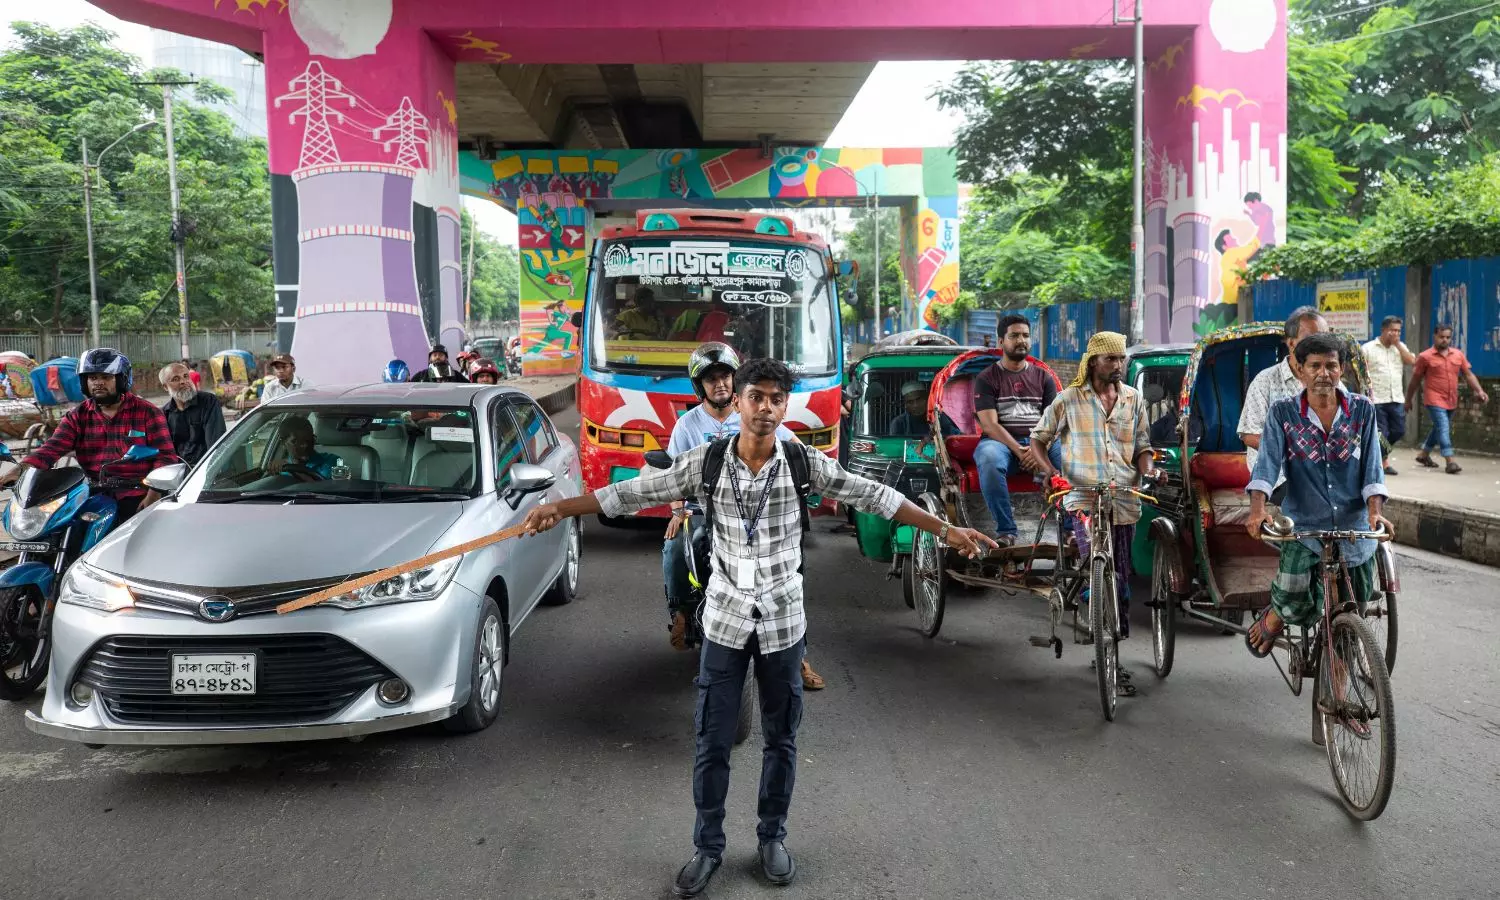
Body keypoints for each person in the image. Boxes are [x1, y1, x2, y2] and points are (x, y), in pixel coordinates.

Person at [518, 357, 994, 897]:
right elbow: (635, 493)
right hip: (722, 618)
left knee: (781, 738)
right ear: (738, 402)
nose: (765, 407)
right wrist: (563, 508)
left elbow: (873, 495)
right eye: (756, 397)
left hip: (784, 621)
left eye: (775, 399)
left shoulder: (801, 461)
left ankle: (772, 838)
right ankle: (708, 847)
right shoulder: (706, 461)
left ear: (783, 406)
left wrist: (945, 528)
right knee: (712, 740)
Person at [664, 343, 827, 690]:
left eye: (725, 376)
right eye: (711, 379)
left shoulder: (758, 416)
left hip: (763, 518)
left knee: (791, 577)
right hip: (704, 512)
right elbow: (672, 474)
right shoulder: (687, 426)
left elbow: (799, 456)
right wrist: (678, 510)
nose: (719, 384)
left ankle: (798, 654)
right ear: (700, 386)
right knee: (679, 547)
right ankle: (681, 613)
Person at [1245, 333, 1393, 684]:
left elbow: (1373, 467)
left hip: (1354, 528)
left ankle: (1338, 696)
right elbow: (1266, 465)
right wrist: (1258, 509)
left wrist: (1375, 512)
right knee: (1294, 598)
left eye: (1331, 365)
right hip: (1304, 526)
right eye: (1315, 366)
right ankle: (1276, 617)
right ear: (1300, 369)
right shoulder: (1283, 413)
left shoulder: (1361, 411)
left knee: (1352, 607)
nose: (1323, 373)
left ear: (1342, 369)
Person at [1028, 332, 1159, 657]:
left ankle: (1115, 643)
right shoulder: (1069, 399)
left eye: (1120, 358)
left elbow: (1142, 445)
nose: (1117, 365)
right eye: (1110, 359)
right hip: (1082, 497)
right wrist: (1051, 472)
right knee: (1096, 565)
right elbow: (1038, 439)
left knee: (1123, 576)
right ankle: (1094, 602)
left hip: (1124, 497)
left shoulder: (1133, 399)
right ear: (1093, 362)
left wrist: (1151, 469)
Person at [0, 348, 175, 523]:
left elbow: (165, 458)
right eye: (92, 378)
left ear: (121, 379)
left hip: (138, 494)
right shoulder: (77, 416)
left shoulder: (148, 413)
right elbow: (52, 448)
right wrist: (19, 469)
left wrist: (153, 495)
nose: (98, 383)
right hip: (92, 493)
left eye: (105, 377)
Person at [972, 314, 1063, 546]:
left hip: (1040, 441)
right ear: (1001, 342)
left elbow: (1052, 421)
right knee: (988, 458)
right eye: (1014, 336)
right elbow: (990, 425)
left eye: (1025, 335)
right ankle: (1007, 531)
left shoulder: (1044, 377)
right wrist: (1021, 450)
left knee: (1070, 456)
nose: (1021, 340)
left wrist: (1036, 448)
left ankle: (1072, 531)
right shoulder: (986, 378)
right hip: (1001, 442)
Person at [1238, 306, 1328, 477]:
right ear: (1291, 343)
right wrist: (1295, 451)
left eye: (1324, 337)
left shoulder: (1331, 380)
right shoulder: (1265, 381)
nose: (1320, 345)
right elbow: (1249, 435)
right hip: (1278, 475)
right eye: (1312, 338)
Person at [1407, 323, 1489, 474]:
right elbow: (1415, 379)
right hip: (1433, 399)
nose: (1444, 340)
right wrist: (1408, 400)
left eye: (1448, 337)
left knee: (1438, 428)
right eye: (1441, 337)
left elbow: (1468, 375)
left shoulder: (1458, 355)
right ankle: (1450, 461)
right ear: (1435, 336)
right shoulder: (1425, 357)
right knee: (1444, 427)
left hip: (1451, 399)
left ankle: (1424, 454)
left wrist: (1480, 391)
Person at [1361, 315, 1416, 475]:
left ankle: (1376, 457)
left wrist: (1398, 344)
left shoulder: (1400, 348)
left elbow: (1411, 361)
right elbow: (1359, 372)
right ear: (1383, 330)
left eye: (1398, 331)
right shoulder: (1368, 348)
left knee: (1399, 431)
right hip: (1376, 398)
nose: (1396, 334)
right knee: (1382, 433)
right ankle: (1383, 464)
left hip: (1396, 397)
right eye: (1392, 330)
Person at [159, 361, 226, 467]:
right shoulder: (164, 414)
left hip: (207, 468)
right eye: (176, 379)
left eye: (186, 376)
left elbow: (215, 444)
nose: (183, 381)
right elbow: (166, 452)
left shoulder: (208, 401)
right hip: (180, 474)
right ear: (165, 387)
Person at [265, 415, 341, 480]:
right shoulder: (279, 470)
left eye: (309, 440)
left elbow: (336, 491)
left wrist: (294, 470)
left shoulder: (334, 462)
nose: (305, 445)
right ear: (283, 443)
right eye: (295, 442)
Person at [887, 380, 960, 438]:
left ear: (927, 398)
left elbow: (956, 436)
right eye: (910, 402)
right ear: (906, 404)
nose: (915, 405)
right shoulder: (898, 423)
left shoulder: (941, 417)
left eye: (919, 400)